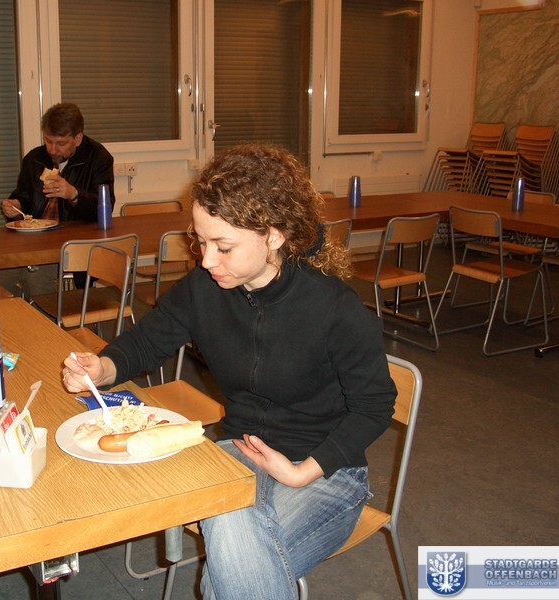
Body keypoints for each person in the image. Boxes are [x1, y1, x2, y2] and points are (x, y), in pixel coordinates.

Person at [62, 143, 397, 600]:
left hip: (325, 472)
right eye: (201, 242)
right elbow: (147, 341)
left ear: (274, 236)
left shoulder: (334, 308)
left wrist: (303, 472)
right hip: (238, 452)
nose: (206, 260)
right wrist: (101, 368)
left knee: (226, 569)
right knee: (235, 559)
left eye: (223, 247)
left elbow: (374, 405)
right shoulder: (205, 288)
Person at [1, 102, 114, 224]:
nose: (52, 150)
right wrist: (16, 207)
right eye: (48, 141)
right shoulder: (34, 159)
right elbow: (23, 198)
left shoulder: (98, 158)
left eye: (61, 143)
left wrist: (74, 195)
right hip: (38, 232)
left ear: (77, 139)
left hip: (77, 233)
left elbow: (104, 210)